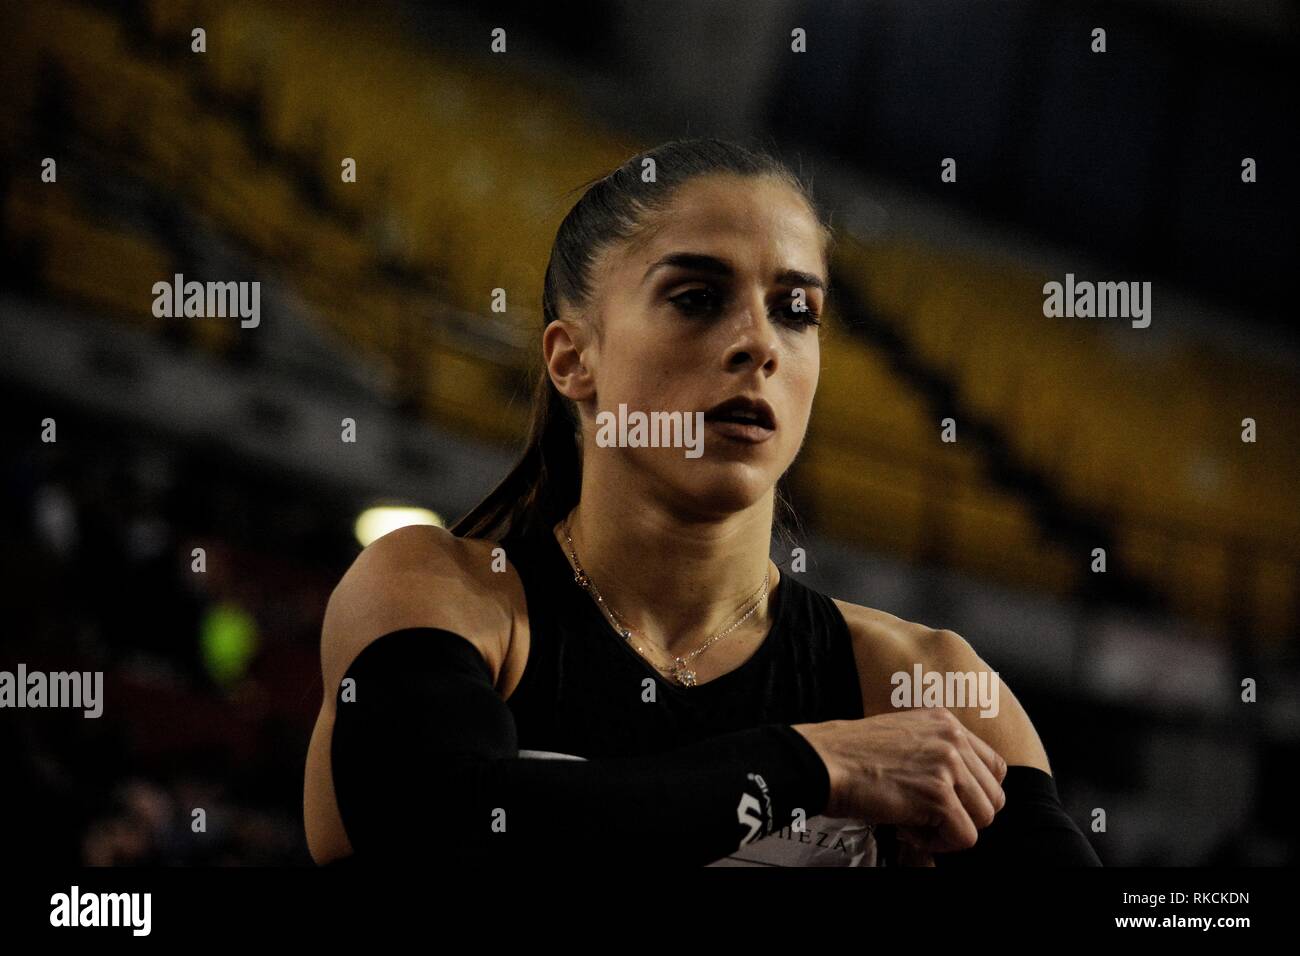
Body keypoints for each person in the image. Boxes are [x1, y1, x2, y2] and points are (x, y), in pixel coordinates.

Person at [303, 137, 1100, 867]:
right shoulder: (441, 593)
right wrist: (815, 765)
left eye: (797, 311)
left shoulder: (918, 680)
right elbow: (434, 825)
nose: (758, 342)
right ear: (574, 357)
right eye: (696, 297)